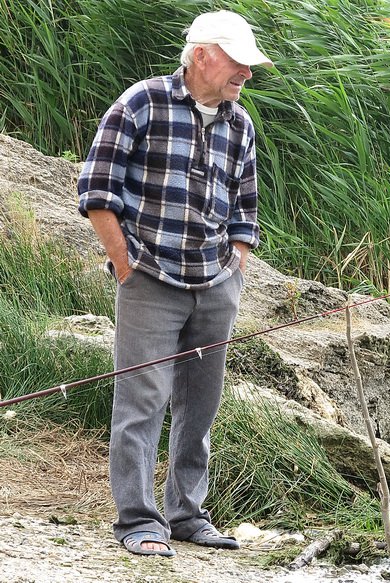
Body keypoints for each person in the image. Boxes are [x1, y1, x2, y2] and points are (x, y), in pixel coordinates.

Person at [77, 10, 272, 557]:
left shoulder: (241, 123)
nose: (248, 75)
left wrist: (236, 261)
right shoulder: (140, 102)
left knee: (200, 405)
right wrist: (124, 265)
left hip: (215, 285)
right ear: (204, 55)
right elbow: (96, 190)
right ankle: (138, 521)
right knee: (142, 401)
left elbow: (246, 209)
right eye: (239, 63)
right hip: (150, 281)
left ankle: (188, 515)